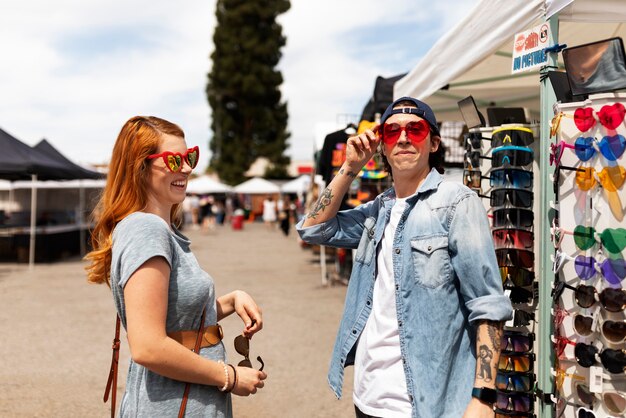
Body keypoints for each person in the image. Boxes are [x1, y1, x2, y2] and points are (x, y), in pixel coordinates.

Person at [297, 97, 512, 418]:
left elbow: (487, 304)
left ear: (434, 142)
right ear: (381, 145)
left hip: (427, 402)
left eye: (416, 128)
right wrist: (350, 167)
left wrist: (482, 397)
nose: (403, 137)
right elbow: (313, 230)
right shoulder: (378, 209)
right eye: (391, 131)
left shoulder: (456, 203)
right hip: (368, 396)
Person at [85, 116, 267, 417]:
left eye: (189, 156)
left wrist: (230, 300)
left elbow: (174, 317)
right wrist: (229, 376)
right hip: (171, 405)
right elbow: (147, 345)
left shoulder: (158, 230)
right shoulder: (146, 230)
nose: (185, 168)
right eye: (173, 160)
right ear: (140, 168)